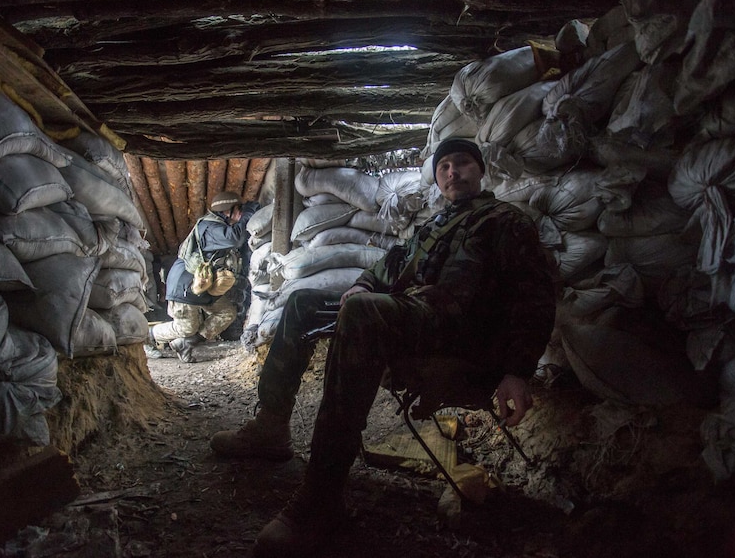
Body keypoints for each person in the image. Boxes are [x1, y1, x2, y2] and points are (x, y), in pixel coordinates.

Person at [210, 138, 558, 557]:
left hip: (464, 339)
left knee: (361, 312)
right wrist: (363, 282)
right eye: (443, 166)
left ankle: (322, 500)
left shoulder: (505, 221)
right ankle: (270, 425)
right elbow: (391, 263)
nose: (452, 172)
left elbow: (534, 296)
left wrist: (517, 370)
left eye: (462, 163)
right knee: (302, 302)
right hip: (417, 319)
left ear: (479, 171)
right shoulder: (438, 224)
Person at [147, 191, 259, 363]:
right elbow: (235, 238)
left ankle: (185, 344)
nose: (242, 213)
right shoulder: (210, 227)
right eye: (239, 209)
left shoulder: (218, 225)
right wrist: (249, 213)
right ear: (228, 211)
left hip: (203, 283)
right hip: (185, 284)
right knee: (186, 327)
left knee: (226, 313)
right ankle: (148, 336)